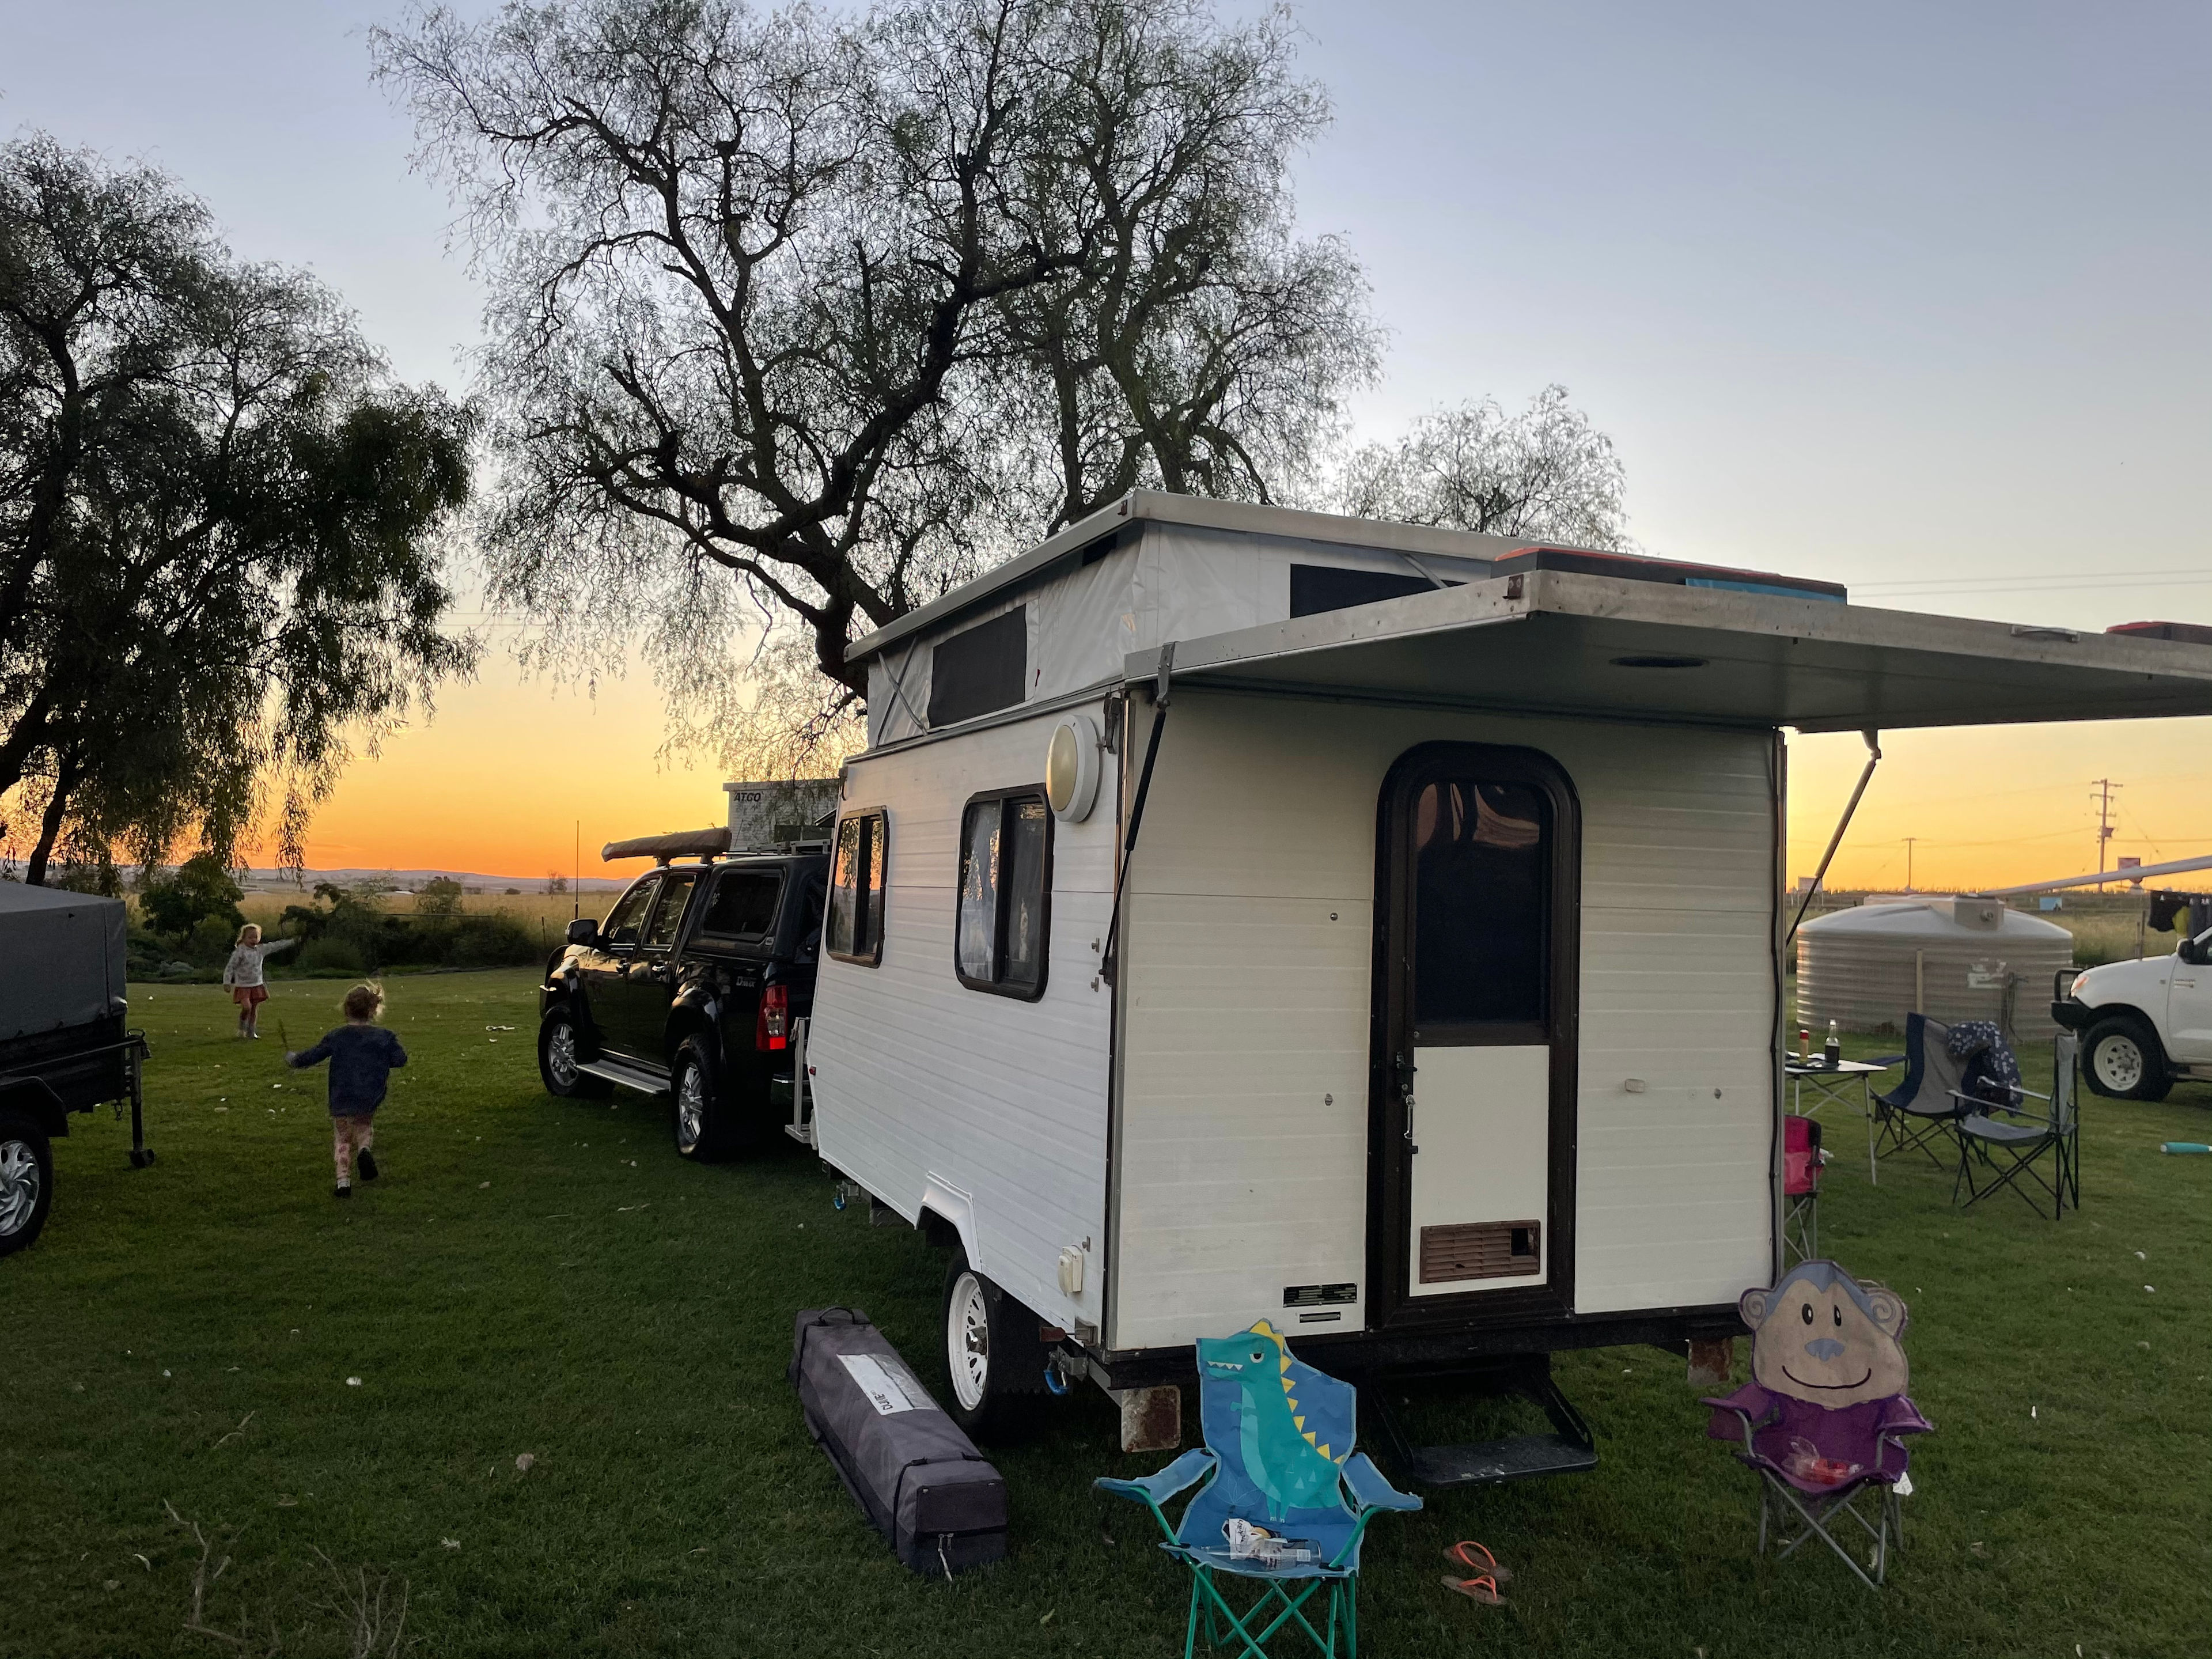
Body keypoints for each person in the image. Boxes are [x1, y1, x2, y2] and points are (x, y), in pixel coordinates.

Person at [287, 983, 407, 1199]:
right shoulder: (385, 1037)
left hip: (342, 1093)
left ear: (346, 1010)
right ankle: (364, 1150)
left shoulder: (337, 1036)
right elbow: (400, 1060)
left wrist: (295, 1059)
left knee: (342, 1137)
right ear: (372, 1011)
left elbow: (313, 1056)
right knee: (364, 1125)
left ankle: (343, 1182)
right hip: (370, 1094)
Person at [221, 923, 298, 1039]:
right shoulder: (240, 952)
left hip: (257, 985)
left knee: (254, 1009)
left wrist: (293, 941)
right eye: (250, 937)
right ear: (244, 938)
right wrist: (227, 982)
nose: (254, 940)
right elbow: (230, 967)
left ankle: (251, 1032)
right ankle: (242, 1028)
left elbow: (275, 946)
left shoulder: (260, 950)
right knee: (247, 1007)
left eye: (256, 937)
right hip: (243, 986)